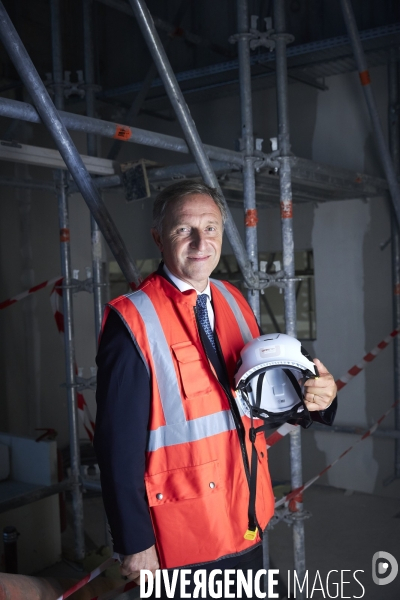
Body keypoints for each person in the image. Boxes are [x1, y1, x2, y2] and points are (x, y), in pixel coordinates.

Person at [94, 180, 337, 596]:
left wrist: (320, 400)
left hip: (246, 517)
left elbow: (266, 395)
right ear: (158, 237)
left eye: (210, 228)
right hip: (183, 537)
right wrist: (135, 543)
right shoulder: (132, 320)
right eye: (183, 229)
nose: (199, 241)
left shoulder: (233, 300)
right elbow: (117, 446)